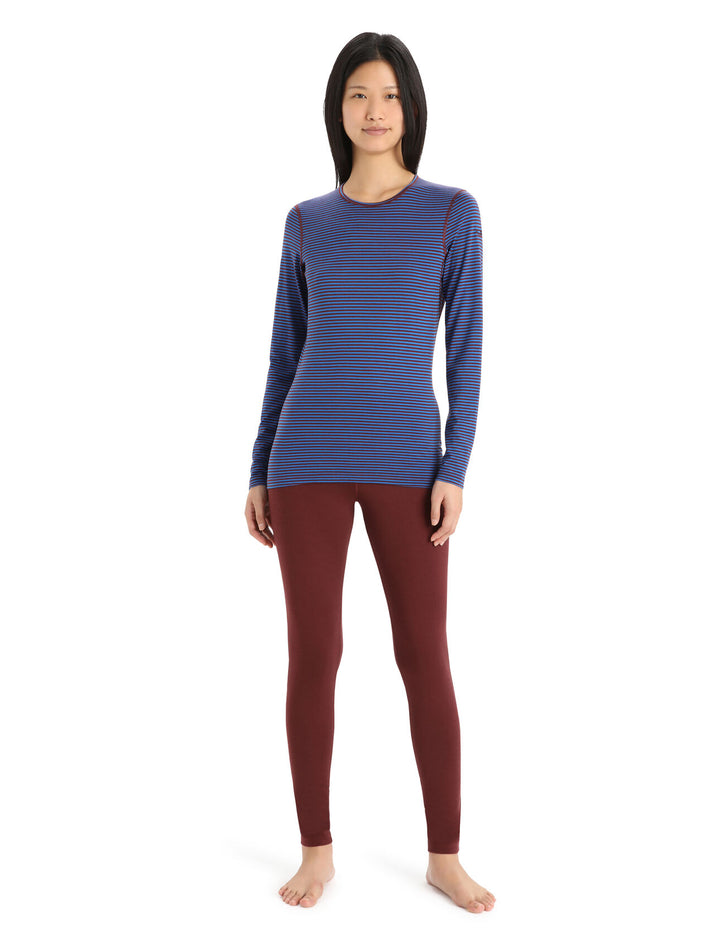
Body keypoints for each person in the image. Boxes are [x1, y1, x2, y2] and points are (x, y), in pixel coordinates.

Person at [245, 32, 495, 915]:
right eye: (358, 94)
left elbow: (465, 353)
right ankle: (316, 849)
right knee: (315, 653)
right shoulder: (305, 222)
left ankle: (444, 855)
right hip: (305, 459)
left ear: (411, 108)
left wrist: (455, 465)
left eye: (389, 94)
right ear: (339, 109)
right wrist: (258, 466)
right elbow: (285, 355)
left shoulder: (451, 213)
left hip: (407, 464)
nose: (375, 110)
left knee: (425, 653)